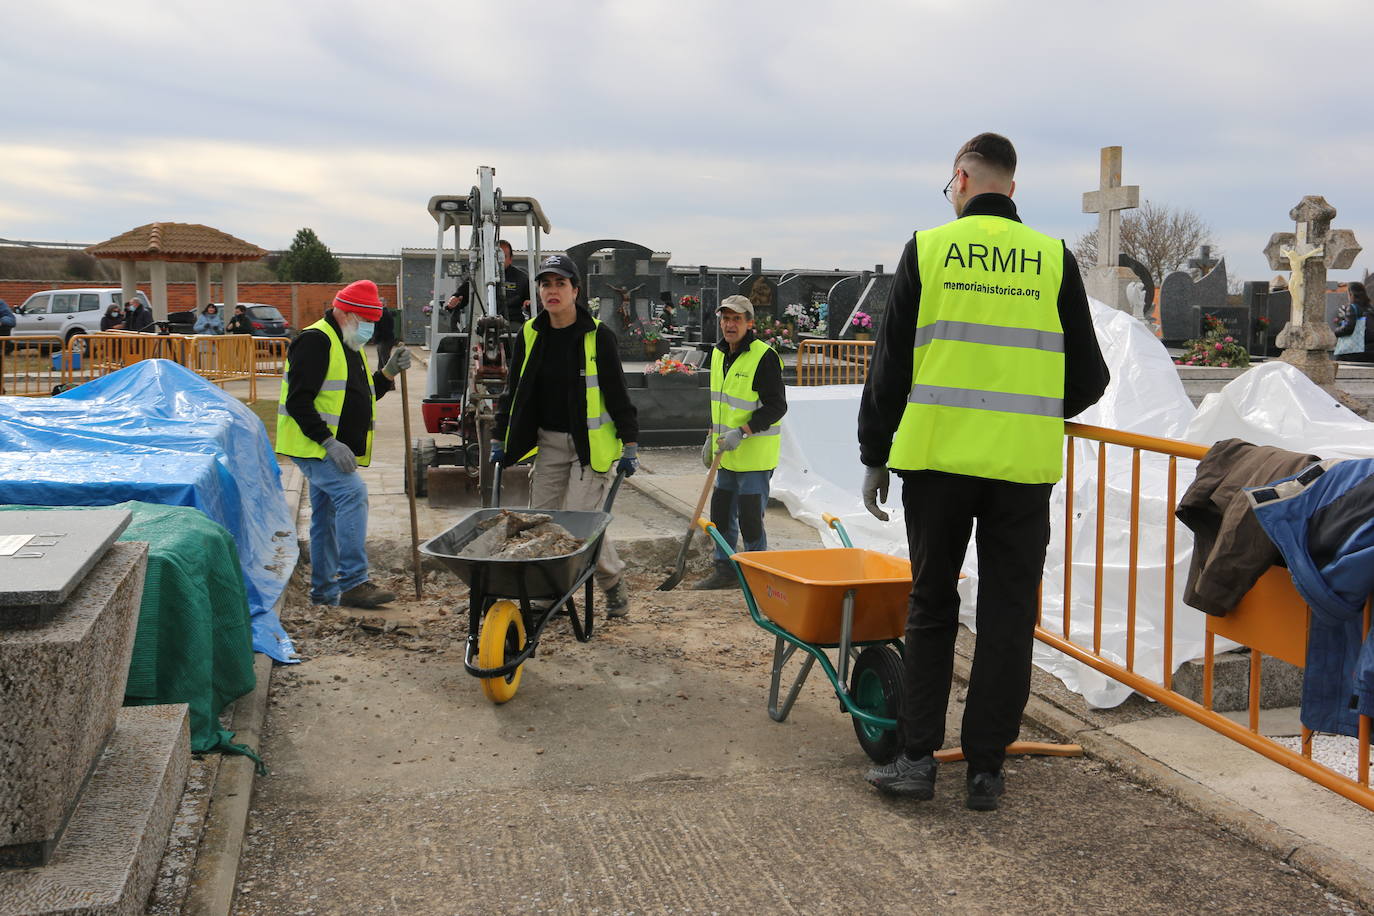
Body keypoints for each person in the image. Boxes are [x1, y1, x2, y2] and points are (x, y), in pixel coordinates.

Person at [857, 133, 1109, 811]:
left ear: (961, 181)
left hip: (937, 464)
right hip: (1021, 472)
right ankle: (986, 772)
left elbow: (890, 370)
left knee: (933, 608)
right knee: (1005, 617)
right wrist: (1027, 412)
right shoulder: (1052, 259)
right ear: (1013, 188)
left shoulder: (930, 250)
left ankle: (915, 760)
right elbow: (1089, 377)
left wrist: (874, 452)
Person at [492, 254, 639, 618]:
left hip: (590, 449)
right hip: (549, 443)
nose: (552, 291)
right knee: (542, 521)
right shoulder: (530, 333)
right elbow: (514, 391)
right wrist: (499, 436)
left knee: (576, 524)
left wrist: (631, 443)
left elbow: (618, 393)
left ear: (575, 290)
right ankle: (548, 594)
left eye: (560, 284)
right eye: (545, 284)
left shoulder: (597, 336)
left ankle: (611, 582)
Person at [276, 280, 413, 609]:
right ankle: (354, 581)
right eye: (366, 322)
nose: (369, 330)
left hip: (326, 445)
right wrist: (327, 441)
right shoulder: (315, 341)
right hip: (314, 446)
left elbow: (361, 395)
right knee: (352, 494)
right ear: (348, 315)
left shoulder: (347, 344)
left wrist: (389, 373)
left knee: (325, 515)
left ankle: (323, 592)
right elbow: (298, 401)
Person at [694, 295, 788, 590]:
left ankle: (757, 573)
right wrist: (711, 435)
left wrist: (742, 431)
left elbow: (776, 407)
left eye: (736, 319)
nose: (730, 325)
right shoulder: (718, 353)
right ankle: (725, 570)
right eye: (725, 318)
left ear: (750, 323)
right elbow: (721, 403)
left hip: (754, 456)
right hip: (726, 454)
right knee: (721, 513)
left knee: (750, 517)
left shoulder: (764, 357)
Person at [1332, 280, 1373, 362]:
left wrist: (1334, 333)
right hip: (1370, 350)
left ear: (1351, 294)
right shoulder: (1370, 308)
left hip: (1355, 351)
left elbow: (1349, 328)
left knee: (1339, 364)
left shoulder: (1353, 307)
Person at [374, 301, 398, 369]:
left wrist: (377, 338)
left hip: (384, 340)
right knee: (382, 361)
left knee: (384, 361)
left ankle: (388, 378)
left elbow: (384, 329)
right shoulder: (385, 313)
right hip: (385, 340)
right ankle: (382, 377)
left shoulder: (383, 314)